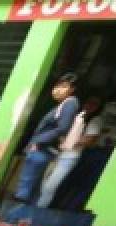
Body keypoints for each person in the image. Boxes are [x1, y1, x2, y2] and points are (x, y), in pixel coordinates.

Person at [13, 73, 79, 206]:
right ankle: (25, 218)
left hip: (42, 149)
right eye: (57, 86)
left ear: (72, 89)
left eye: (64, 86)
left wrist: (39, 141)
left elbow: (63, 127)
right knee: (33, 186)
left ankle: (13, 216)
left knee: (26, 185)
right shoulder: (62, 105)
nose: (58, 89)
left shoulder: (70, 103)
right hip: (42, 149)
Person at [37, 96, 102, 208]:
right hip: (56, 153)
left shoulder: (96, 120)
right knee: (43, 184)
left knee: (50, 186)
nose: (90, 105)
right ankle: (39, 206)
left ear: (99, 108)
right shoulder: (77, 115)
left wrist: (68, 140)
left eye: (95, 104)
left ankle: (39, 209)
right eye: (89, 102)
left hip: (69, 157)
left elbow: (89, 140)